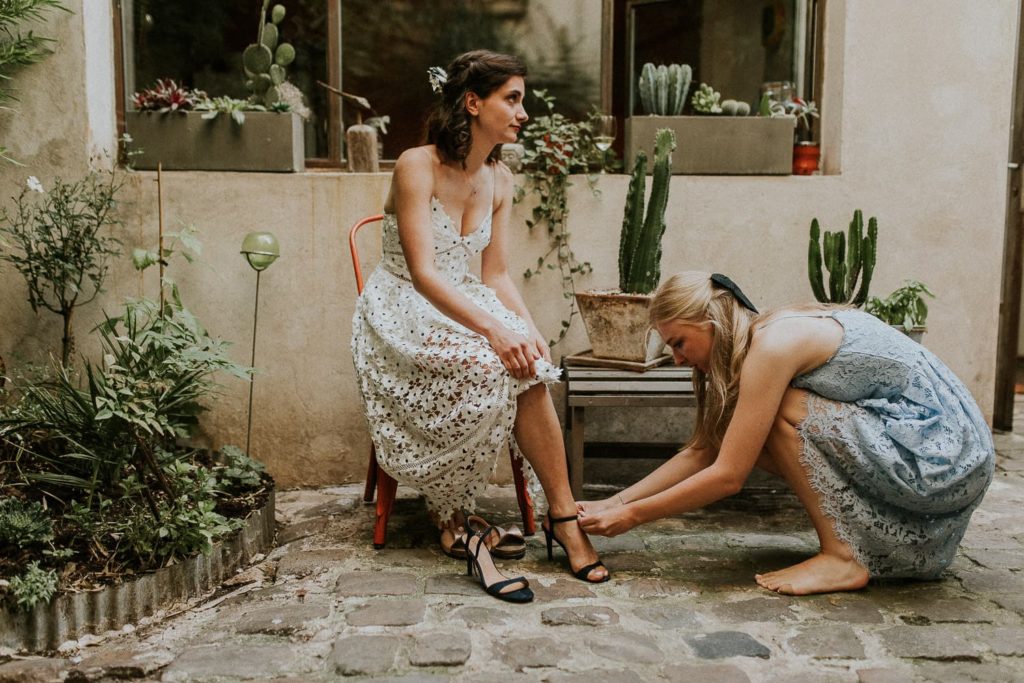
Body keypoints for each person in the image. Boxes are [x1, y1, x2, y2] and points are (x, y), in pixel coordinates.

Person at [351, 50, 608, 590]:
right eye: (512, 99)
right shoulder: (415, 164)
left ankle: (563, 518)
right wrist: (494, 329)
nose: (523, 112)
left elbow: (496, 273)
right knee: (489, 363)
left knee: (531, 364)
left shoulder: (501, 178)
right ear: (473, 103)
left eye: (522, 100)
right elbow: (423, 273)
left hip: (463, 298)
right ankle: (450, 515)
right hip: (402, 306)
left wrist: (527, 326)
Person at [578, 271, 994, 595]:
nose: (677, 358)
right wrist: (612, 501)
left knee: (774, 416)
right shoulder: (761, 336)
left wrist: (631, 517)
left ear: (710, 323)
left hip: (944, 455)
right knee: (742, 430)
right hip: (932, 444)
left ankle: (843, 556)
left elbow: (728, 475)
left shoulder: (773, 347)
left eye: (680, 343)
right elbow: (704, 449)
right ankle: (848, 547)